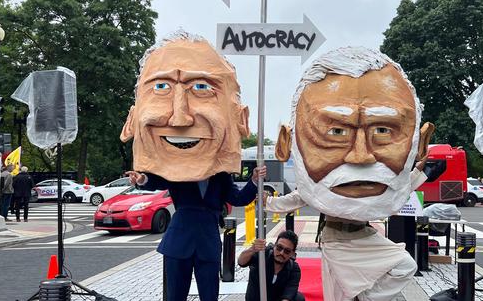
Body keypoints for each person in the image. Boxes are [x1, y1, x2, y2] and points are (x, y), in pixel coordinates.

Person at [264, 47, 434, 301]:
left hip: (365, 235)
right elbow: (296, 199)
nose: (360, 156)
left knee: (404, 265)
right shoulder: (319, 188)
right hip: (336, 240)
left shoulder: (388, 173)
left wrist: (421, 171)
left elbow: (400, 187)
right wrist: (266, 201)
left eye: (383, 130)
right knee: (339, 294)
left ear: (418, 144)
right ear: (287, 144)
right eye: (336, 132)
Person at [122, 31, 262, 301]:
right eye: (162, 87)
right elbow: (156, 181)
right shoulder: (177, 171)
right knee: (175, 296)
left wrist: (255, 180)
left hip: (208, 243)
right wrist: (140, 179)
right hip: (178, 242)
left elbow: (239, 197)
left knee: (210, 295)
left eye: (200, 87)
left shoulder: (220, 176)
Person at [239, 231, 304, 301]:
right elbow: (241, 262)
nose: (281, 253)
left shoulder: (294, 269)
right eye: (279, 247)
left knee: (299, 298)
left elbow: (290, 291)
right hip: (255, 298)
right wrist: (252, 249)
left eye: (287, 251)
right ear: (274, 245)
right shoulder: (262, 255)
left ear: (292, 254)